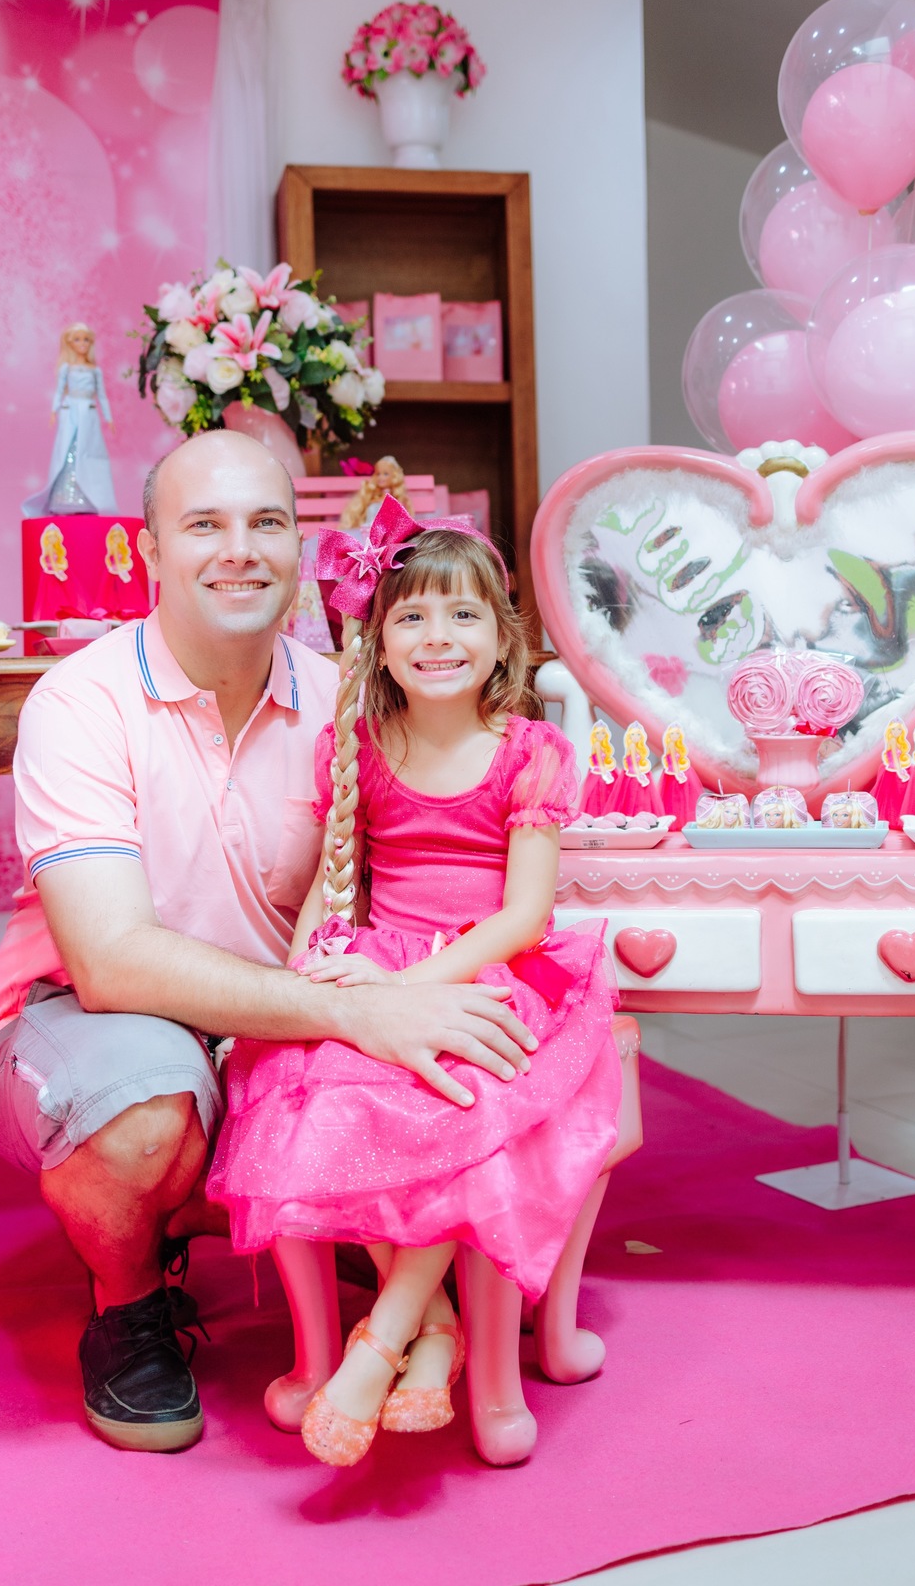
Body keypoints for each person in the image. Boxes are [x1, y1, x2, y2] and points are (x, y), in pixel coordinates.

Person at [0, 431, 538, 1453]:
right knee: (148, 1112)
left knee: (456, 1060)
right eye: (205, 526)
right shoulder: (84, 701)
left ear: (297, 549)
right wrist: (352, 1012)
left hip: (283, 1017)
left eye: (266, 523)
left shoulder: (346, 702)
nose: (240, 550)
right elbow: (112, 962)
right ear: (149, 554)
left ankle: (345, 1239)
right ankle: (132, 1297)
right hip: (96, 1022)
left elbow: (401, 893)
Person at [207, 494, 622, 1469]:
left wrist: (416, 990)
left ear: (502, 636)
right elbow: (327, 886)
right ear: (378, 641)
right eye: (412, 616)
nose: (439, 636)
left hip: (488, 969)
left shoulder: (531, 755)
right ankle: (434, 1329)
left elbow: (523, 917)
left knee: (453, 1101)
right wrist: (316, 976)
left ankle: (384, 1336)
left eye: (464, 614)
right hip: (376, 958)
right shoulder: (354, 749)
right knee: (304, 1088)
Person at [22, 323, 117, 517]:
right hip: (71, 412)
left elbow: (102, 395)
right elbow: (59, 391)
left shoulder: (94, 370)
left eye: (85, 339)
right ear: (70, 343)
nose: (82, 344)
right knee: (67, 452)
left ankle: (91, 496)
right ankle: (66, 497)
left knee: (89, 452)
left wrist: (108, 417)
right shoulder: (67, 368)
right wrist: (54, 411)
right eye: (77, 339)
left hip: (89, 414)